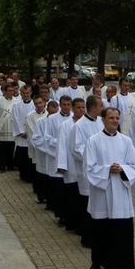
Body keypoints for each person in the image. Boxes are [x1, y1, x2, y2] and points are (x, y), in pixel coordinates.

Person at [84, 107, 135, 269]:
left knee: (122, 232)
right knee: (101, 229)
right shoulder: (93, 141)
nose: (115, 120)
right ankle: (97, 262)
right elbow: (89, 168)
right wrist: (108, 169)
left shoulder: (126, 141)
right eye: (111, 118)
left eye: (117, 118)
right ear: (103, 119)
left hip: (121, 193)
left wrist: (122, 169)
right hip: (102, 192)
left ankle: (124, 268)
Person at [33, 95, 73, 221]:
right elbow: (47, 138)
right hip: (56, 157)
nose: (66, 107)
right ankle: (60, 215)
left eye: (68, 104)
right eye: (64, 104)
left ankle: (70, 215)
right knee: (59, 190)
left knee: (70, 191)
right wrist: (61, 142)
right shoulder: (52, 119)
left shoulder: (75, 118)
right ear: (60, 105)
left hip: (71, 159)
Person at [72, 94, 104, 246]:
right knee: (86, 205)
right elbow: (76, 149)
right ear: (93, 108)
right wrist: (93, 155)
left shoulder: (100, 122)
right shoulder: (79, 125)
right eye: (101, 106)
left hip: (100, 171)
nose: (102, 108)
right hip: (86, 171)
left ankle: (97, 236)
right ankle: (87, 238)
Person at [56, 97, 85, 232]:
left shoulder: (87, 124)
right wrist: (62, 164)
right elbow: (61, 145)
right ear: (73, 108)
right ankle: (72, 223)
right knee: (72, 196)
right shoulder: (66, 125)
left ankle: (82, 224)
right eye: (78, 107)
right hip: (71, 164)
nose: (81, 110)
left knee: (82, 197)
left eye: (83, 107)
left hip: (84, 165)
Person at [0, 82, 19, 171]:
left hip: (12, 128)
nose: (12, 92)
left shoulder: (17, 101)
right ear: (4, 91)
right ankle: (2, 165)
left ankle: (10, 165)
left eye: (13, 90)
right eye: (9, 90)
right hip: (1, 127)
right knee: (2, 148)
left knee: (11, 147)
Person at [12, 85, 36, 182]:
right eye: (24, 93)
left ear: (31, 93)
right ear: (21, 93)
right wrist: (21, 132)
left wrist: (30, 132)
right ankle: (23, 174)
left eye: (27, 93)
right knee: (22, 157)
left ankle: (31, 176)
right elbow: (15, 119)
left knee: (31, 158)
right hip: (22, 136)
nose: (26, 95)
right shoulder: (16, 105)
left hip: (32, 135)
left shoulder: (35, 105)